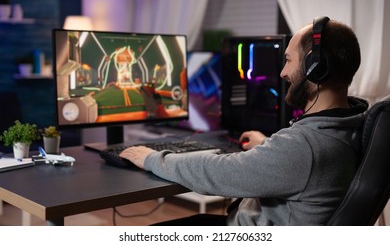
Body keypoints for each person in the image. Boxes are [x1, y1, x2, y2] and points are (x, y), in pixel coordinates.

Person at [119, 17, 368, 225]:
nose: (282, 72)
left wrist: (152, 158)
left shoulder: (306, 146)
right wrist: (269, 146)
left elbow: (219, 173)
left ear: (315, 68)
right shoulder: (352, 125)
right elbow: (302, 163)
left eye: (289, 60)